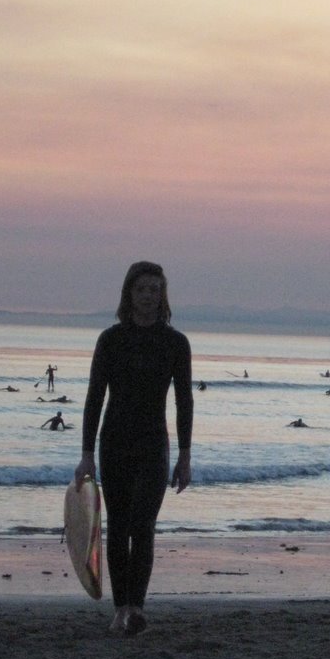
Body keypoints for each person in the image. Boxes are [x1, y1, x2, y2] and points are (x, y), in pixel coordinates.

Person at [74, 261, 193, 636]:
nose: (149, 296)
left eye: (155, 289)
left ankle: (137, 608)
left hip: (153, 444)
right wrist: (87, 454)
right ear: (130, 293)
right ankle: (120, 608)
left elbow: (184, 402)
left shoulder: (175, 343)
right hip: (114, 442)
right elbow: (94, 397)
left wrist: (186, 456)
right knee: (118, 527)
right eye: (142, 289)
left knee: (144, 527)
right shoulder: (111, 340)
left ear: (163, 295)